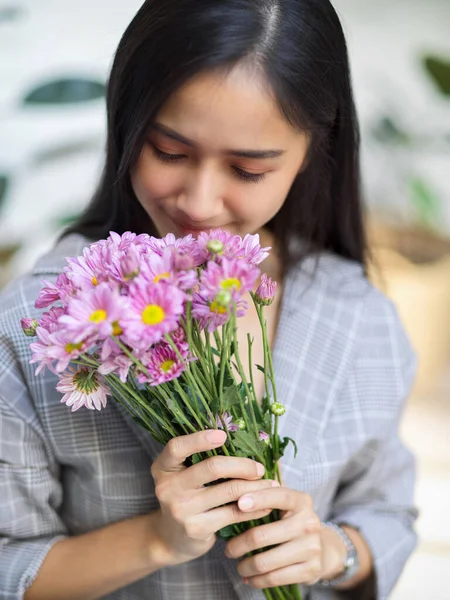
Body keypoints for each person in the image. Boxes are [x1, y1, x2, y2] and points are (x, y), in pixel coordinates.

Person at [0, 1, 418, 599]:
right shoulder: (37, 325)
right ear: (126, 122)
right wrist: (158, 540)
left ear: (310, 153)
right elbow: (8, 562)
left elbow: (388, 513)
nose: (198, 203)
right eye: (168, 152)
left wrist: (332, 550)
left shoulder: (357, 316)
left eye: (247, 170)